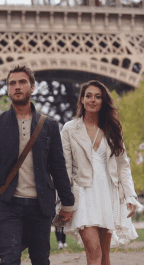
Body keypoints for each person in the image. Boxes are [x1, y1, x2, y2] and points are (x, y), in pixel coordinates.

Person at [0, 65, 75, 265]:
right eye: (12, 83)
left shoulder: (49, 126)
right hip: (7, 204)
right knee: (9, 259)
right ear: (8, 89)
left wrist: (67, 202)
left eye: (22, 82)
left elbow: (58, 167)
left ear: (32, 87)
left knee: (40, 260)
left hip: (40, 206)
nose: (17, 87)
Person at [61, 80, 143, 265]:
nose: (93, 100)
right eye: (88, 96)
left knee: (105, 257)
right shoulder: (69, 129)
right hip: (82, 194)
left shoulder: (113, 129)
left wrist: (130, 195)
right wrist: (65, 201)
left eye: (98, 96)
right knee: (94, 252)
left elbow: (123, 165)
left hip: (108, 194)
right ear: (82, 99)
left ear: (103, 101)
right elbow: (64, 167)